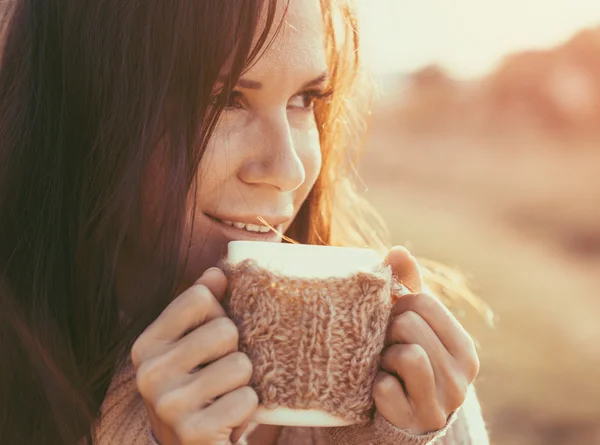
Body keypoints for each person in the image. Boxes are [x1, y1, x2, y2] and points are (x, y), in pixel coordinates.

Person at [0, 0, 490, 444]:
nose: (288, 169)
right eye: (226, 99)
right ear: (85, 108)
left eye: (305, 99)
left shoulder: (404, 379)